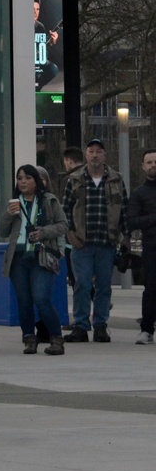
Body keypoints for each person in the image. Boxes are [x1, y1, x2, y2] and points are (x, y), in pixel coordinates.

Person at [62, 136, 129, 342]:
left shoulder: (116, 179)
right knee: (82, 284)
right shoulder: (74, 179)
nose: (94, 155)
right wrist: (70, 235)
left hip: (107, 242)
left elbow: (124, 210)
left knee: (103, 286)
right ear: (85, 154)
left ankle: (100, 325)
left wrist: (126, 237)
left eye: (99, 151)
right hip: (81, 242)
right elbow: (64, 211)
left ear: (104, 155)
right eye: (91, 151)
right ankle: (81, 325)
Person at [0, 164, 66, 354]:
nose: (23, 182)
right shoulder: (14, 203)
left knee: (42, 298)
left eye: (27, 178)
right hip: (18, 257)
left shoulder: (48, 200)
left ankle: (56, 338)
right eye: (20, 178)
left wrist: (43, 232)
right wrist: (7, 215)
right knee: (24, 300)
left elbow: (63, 225)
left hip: (41, 256)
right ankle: (29, 337)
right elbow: (2, 232)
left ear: (36, 181)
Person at [126, 148, 156, 344]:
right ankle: (147, 330)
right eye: (150, 162)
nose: (154, 165)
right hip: (151, 247)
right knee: (152, 288)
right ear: (143, 166)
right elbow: (132, 221)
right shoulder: (139, 193)